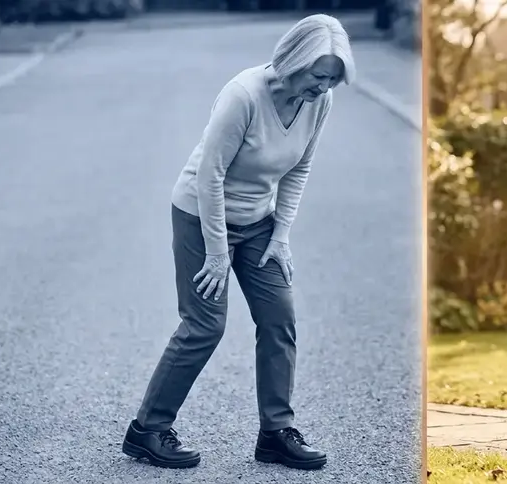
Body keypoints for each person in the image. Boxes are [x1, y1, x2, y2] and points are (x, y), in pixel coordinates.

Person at [120, 14, 355, 470]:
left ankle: (275, 433)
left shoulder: (318, 103)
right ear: (294, 60)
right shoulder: (243, 95)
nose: (323, 87)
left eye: (331, 80)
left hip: (260, 221)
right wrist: (215, 252)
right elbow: (210, 176)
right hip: (201, 215)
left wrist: (281, 237)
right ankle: (147, 430)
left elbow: (298, 169)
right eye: (318, 75)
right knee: (204, 325)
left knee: (279, 317)